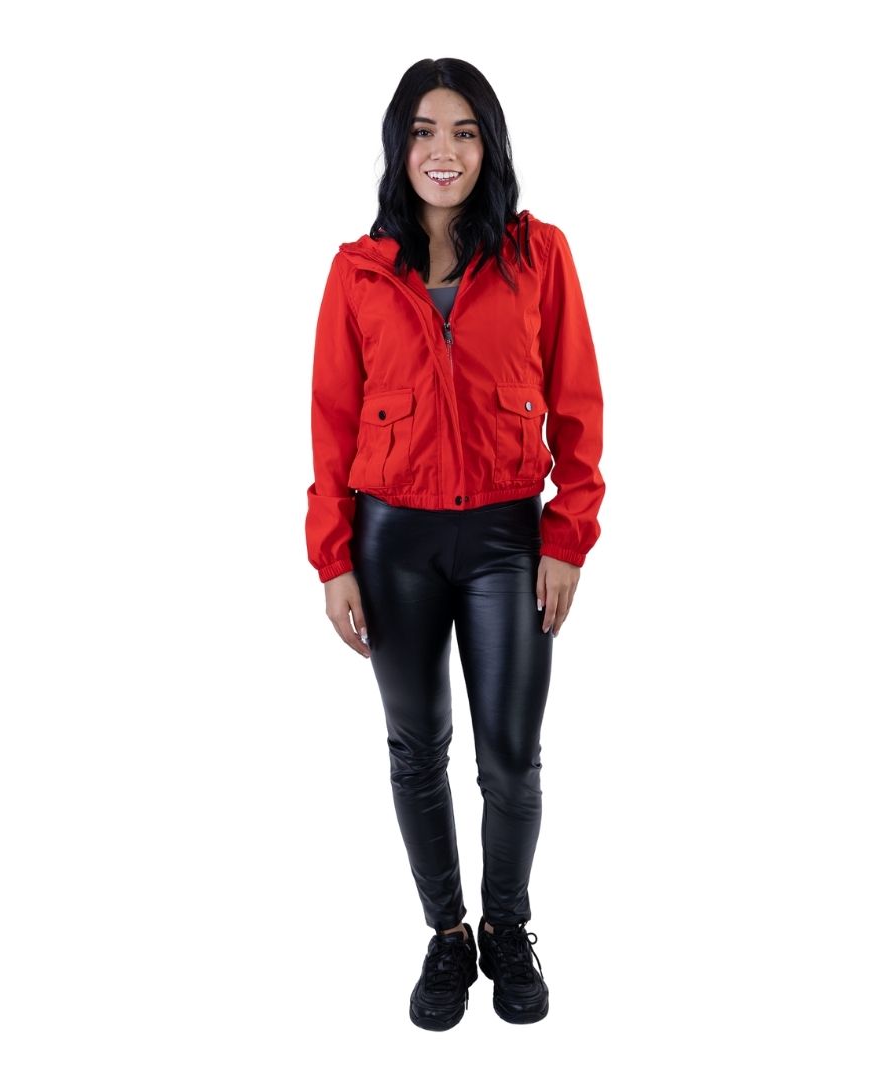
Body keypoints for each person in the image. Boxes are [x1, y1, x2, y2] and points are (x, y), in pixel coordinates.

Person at [304, 57, 605, 1030]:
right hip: (392, 542)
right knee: (415, 748)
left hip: (507, 539)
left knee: (510, 756)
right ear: (399, 145)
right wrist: (334, 557)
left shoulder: (537, 254)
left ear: (490, 146)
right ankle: (448, 934)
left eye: (465, 132)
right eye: (425, 131)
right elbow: (331, 423)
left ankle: (508, 928)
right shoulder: (358, 271)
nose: (444, 152)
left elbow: (578, 404)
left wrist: (568, 535)